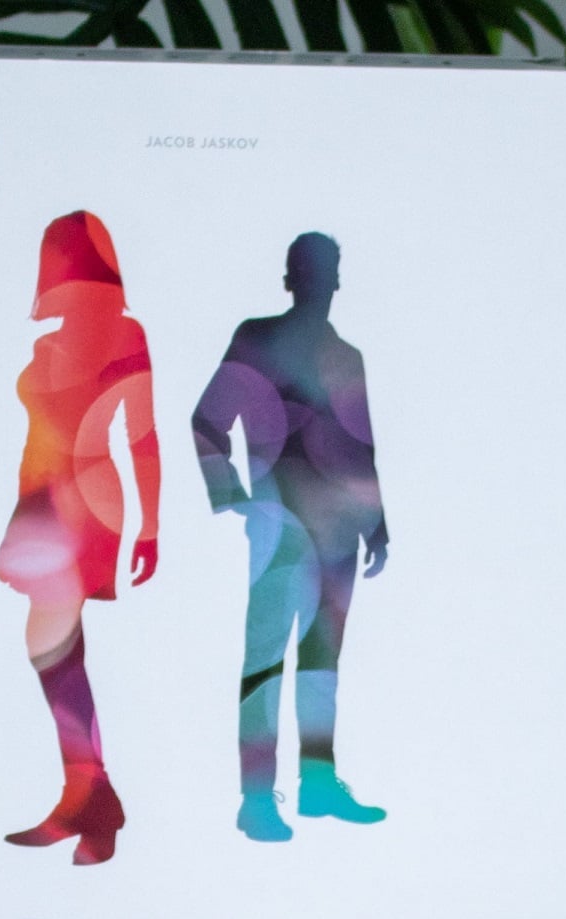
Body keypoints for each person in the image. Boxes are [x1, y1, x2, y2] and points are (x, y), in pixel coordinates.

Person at [190, 232, 390, 843]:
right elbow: (207, 420)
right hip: (282, 528)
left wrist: (377, 522)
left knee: (321, 665)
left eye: (327, 273)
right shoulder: (258, 340)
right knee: (267, 662)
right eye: (313, 271)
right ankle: (256, 799)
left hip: (339, 535)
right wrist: (234, 495)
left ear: (335, 282)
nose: (321, 283)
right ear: (292, 280)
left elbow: (361, 446)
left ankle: (317, 785)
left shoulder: (346, 356)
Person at [0, 210, 160, 865]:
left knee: (53, 647)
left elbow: (141, 435)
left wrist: (150, 525)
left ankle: (89, 798)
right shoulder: (48, 347)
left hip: (85, 498)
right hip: (41, 499)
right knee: (54, 650)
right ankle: (89, 798)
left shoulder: (123, 335)